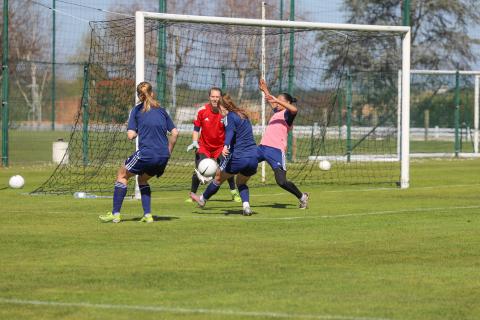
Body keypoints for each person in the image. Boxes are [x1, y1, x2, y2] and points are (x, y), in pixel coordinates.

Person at [99, 81, 179, 223]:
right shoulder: (161, 110)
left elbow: (131, 136)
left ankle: (115, 214)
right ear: (152, 93)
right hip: (163, 156)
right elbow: (175, 133)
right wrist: (168, 152)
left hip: (147, 154)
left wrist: (136, 131)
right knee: (142, 179)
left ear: (139, 96)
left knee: (122, 174)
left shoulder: (136, 110)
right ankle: (147, 215)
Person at [190, 94, 258, 216]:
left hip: (240, 157)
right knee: (241, 183)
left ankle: (202, 199)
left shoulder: (229, 117)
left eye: (218, 109)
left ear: (222, 107)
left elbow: (230, 133)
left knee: (218, 178)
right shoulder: (243, 115)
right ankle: (246, 206)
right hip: (253, 157)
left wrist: (225, 146)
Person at [258, 79, 309, 209]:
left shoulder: (288, 115)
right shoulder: (278, 112)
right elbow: (271, 101)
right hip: (263, 147)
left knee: (281, 181)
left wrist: (277, 100)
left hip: (276, 151)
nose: (276, 103)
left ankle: (302, 197)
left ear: (286, 102)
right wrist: (265, 90)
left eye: (280, 101)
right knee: (244, 160)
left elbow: (294, 109)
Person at [186, 87, 241, 202]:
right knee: (198, 169)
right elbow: (196, 129)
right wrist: (195, 142)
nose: (215, 99)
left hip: (221, 147)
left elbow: (230, 131)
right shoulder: (201, 110)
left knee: (227, 169)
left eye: (217, 97)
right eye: (213, 97)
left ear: (220, 98)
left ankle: (234, 192)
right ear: (209, 97)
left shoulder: (225, 112)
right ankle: (192, 195)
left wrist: (228, 146)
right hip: (204, 146)